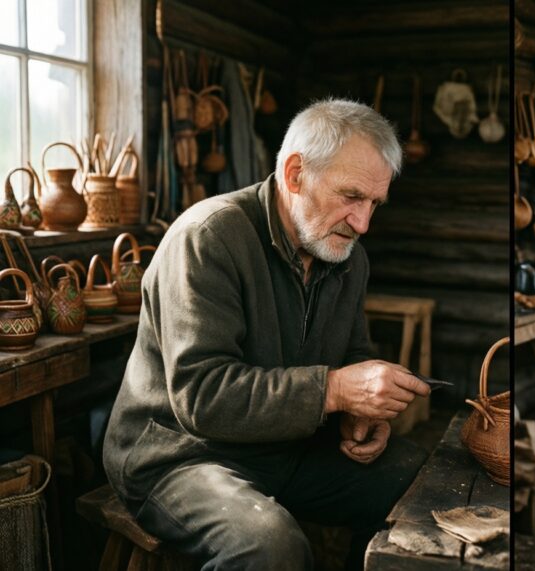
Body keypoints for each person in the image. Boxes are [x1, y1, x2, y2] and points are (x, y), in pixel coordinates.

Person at [102, 99, 432, 570]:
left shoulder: (347, 256)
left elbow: (352, 352)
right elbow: (202, 396)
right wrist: (335, 390)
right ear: (296, 174)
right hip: (181, 455)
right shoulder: (209, 238)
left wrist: (362, 415)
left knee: (416, 480)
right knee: (270, 547)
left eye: (374, 203)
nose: (363, 224)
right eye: (351, 197)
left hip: (283, 446)